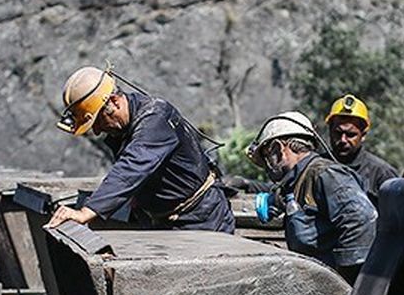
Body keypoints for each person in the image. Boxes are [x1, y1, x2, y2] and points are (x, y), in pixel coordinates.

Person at [46, 66, 234, 233]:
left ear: (114, 101)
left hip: (203, 218)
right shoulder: (120, 129)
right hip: (163, 221)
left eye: (97, 121)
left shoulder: (155, 118)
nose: (96, 131)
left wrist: (86, 213)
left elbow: (131, 167)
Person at [246, 111, 377, 283]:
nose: (267, 168)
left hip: (338, 289)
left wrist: (341, 281)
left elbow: (361, 220)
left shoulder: (325, 175)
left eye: (266, 157)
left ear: (278, 149)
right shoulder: (299, 181)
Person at [324, 94, 398, 205]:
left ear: (363, 135)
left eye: (350, 134)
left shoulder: (381, 174)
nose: (343, 140)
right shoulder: (316, 168)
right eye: (338, 133)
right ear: (330, 131)